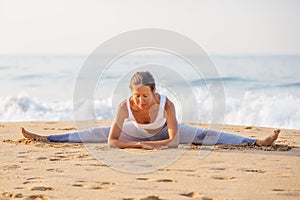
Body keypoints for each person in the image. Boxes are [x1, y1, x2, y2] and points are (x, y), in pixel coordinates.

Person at [21, 71, 281, 150]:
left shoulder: (167, 104)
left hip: (163, 134)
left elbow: (175, 139)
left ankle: (256, 141)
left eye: (145, 96)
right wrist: (139, 146)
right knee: (96, 132)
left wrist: (158, 145)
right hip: (139, 135)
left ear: (154, 93)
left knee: (204, 135)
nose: (141, 101)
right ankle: (46, 138)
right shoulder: (125, 106)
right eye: (137, 96)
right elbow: (112, 141)